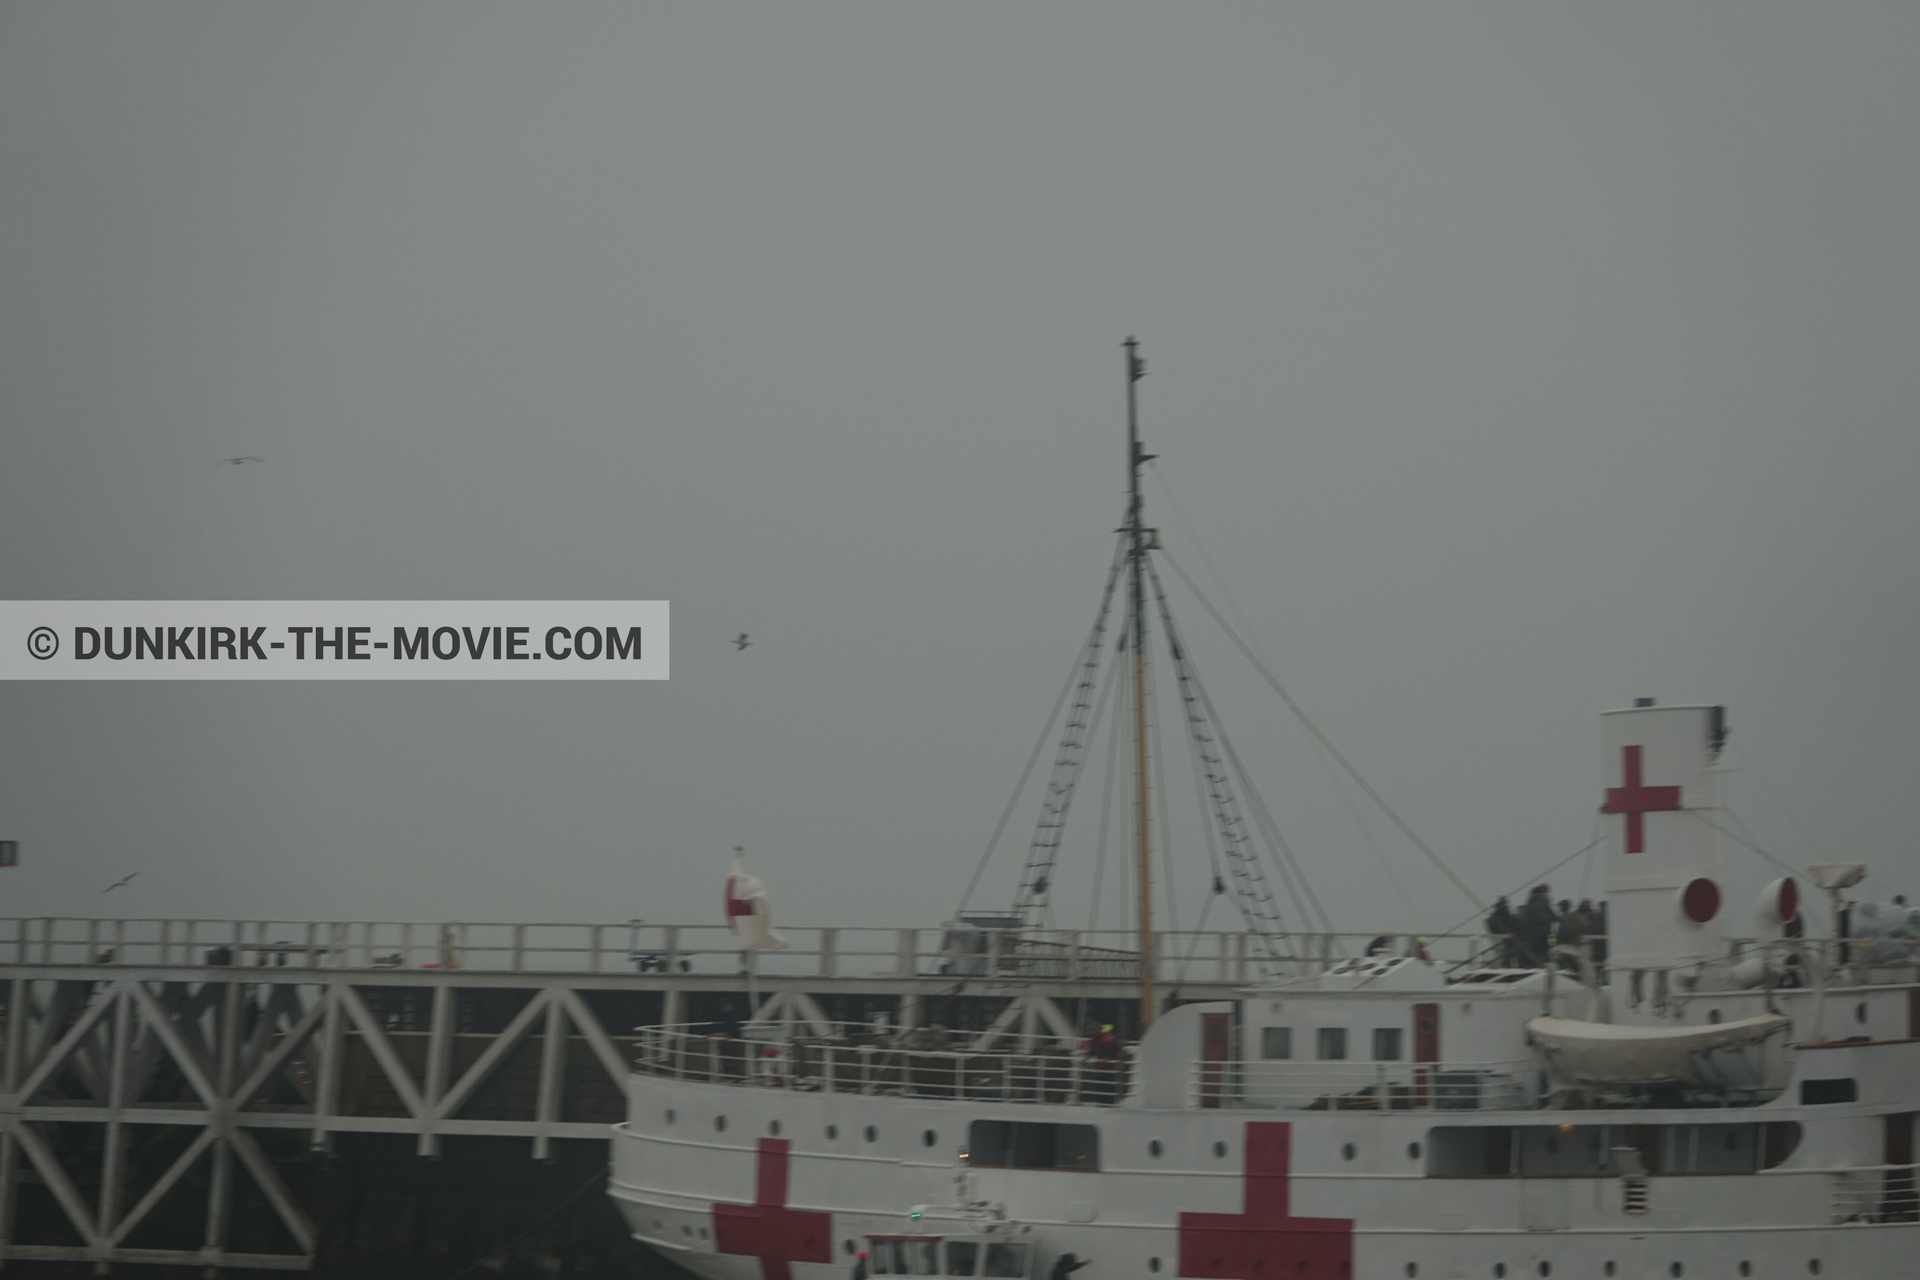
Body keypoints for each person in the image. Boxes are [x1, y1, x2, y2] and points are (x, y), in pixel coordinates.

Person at [1520, 885, 1557, 968]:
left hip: (1531, 935)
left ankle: (1532, 966)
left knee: (1533, 953)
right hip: (1545, 933)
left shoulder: (1529, 904)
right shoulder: (1543, 903)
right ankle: (1550, 963)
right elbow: (1552, 918)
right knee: (1550, 948)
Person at [1088, 1023, 1123, 1104]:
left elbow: (1095, 1049)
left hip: (1105, 1067)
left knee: (1104, 1085)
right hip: (1108, 1067)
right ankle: (1107, 1101)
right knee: (1107, 1085)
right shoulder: (1105, 1039)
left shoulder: (1098, 1039)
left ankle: (1103, 1101)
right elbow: (1115, 1049)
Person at [1485, 896, 1518, 968]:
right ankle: (1505, 966)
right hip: (1502, 938)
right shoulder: (1501, 914)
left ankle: (1505, 965)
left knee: (1505, 954)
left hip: (1505, 938)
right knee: (1503, 953)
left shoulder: (1499, 914)